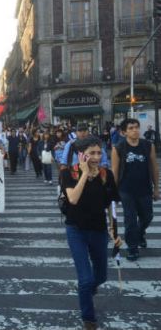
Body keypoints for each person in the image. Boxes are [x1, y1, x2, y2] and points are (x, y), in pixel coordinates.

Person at [60, 136, 121, 330]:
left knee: (101, 276)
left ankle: (88, 289)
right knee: (85, 280)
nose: (96, 156)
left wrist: (114, 230)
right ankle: (89, 319)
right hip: (76, 230)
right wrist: (85, 173)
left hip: (98, 230)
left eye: (98, 152)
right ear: (81, 155)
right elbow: (73, 199)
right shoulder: (69, 174)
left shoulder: (106, 175)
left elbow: (112, 205)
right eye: (91, 153)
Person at [111, 118, 159, 261]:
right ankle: (133, 248)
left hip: (145, 189)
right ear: (124, 132)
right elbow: (115, 171)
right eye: (131, 128)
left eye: (137, 127)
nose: (135, 130)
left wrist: (156, 188)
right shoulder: (118, 148)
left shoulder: (148, 145)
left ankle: (140, 234)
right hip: (126, 190)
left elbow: (154, 167)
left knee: (147, 217)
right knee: (130, 220)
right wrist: (113, 193)